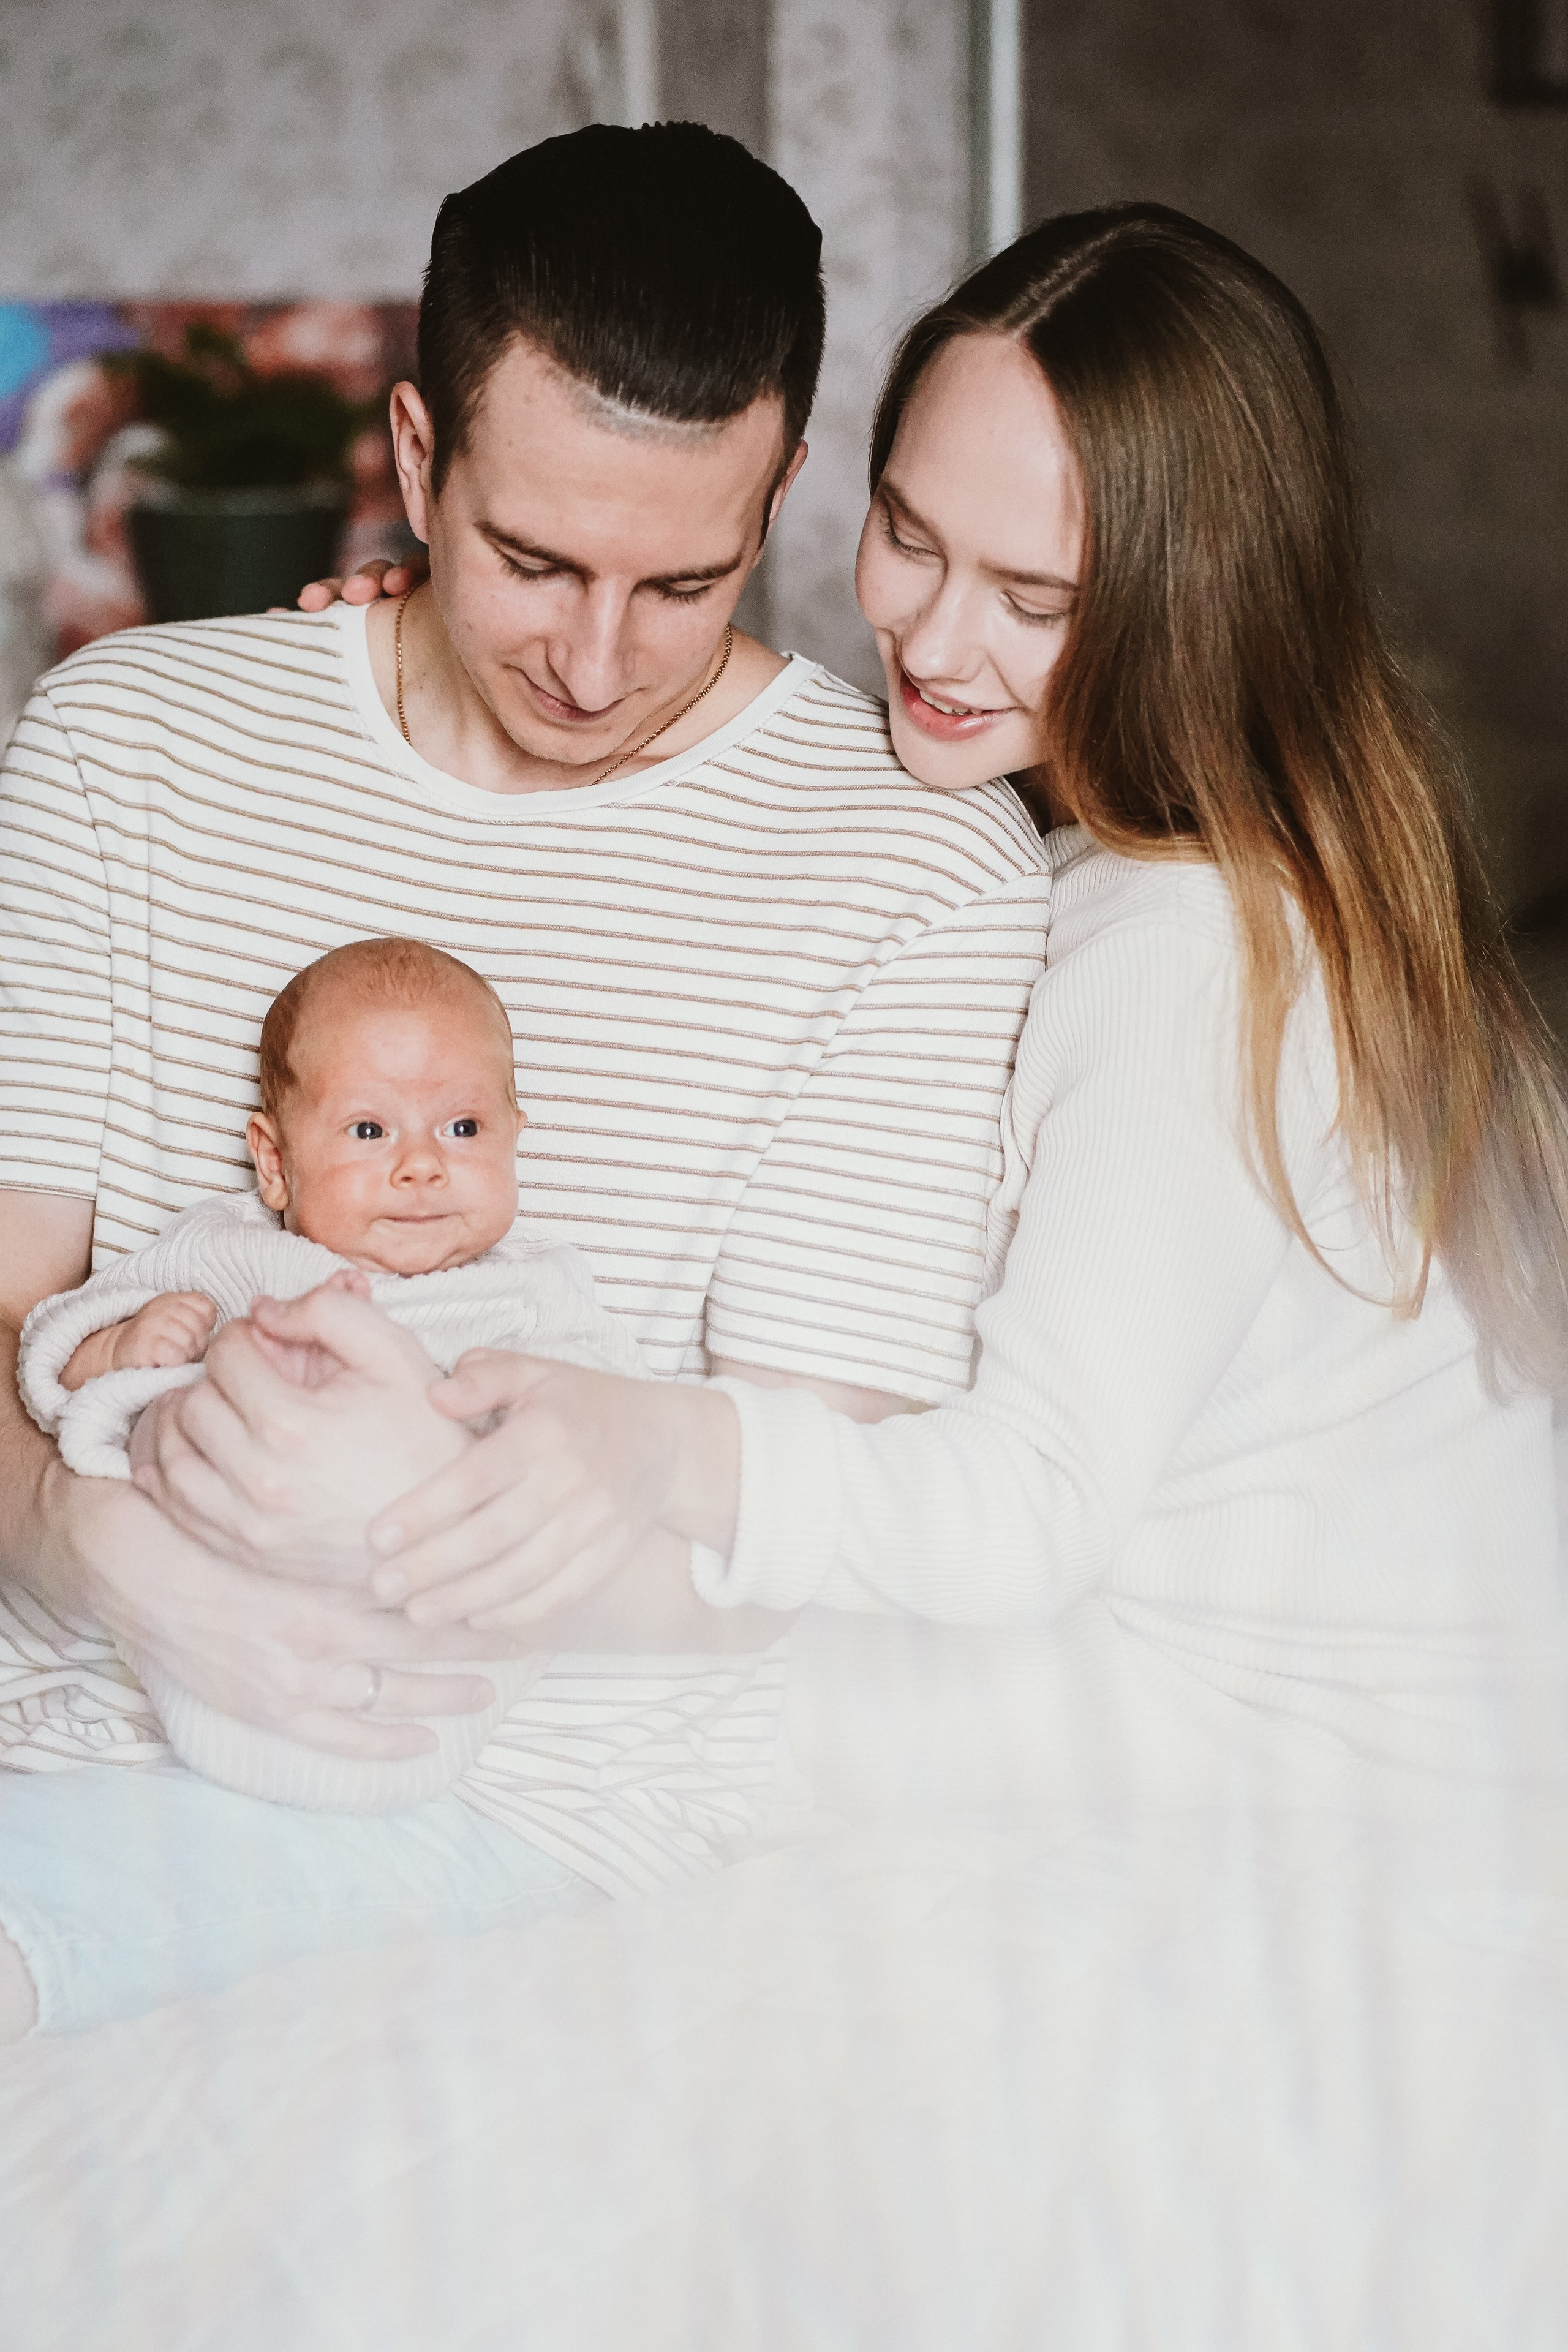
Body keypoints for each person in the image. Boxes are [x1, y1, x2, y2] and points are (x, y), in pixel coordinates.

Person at [230, 200, 1568, 1823]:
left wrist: (661, 1445)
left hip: (1280, 1799)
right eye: (909, 535)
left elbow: (1028, 1505)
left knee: (501, 1712)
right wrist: (432, 649)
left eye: (1035, 596)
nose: (933, 638)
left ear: (1193, 602)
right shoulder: (1091, 839)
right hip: (1186, 1724)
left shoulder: (1190, 943)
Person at [0, 124, 1050, 2038]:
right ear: (416, 459)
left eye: (684, 581)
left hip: (507, 1800)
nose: (592, 660)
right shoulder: (121, 744)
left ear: (783, 495)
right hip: (47, 1721)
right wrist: (98, 1556)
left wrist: (395, 1561)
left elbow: (798, 1534)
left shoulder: (910, 872)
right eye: (530, 559)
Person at [9, 933, 653, 1822]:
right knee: (177, 1429)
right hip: (205, 1632)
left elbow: (611, 1423)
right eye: (369, 1130)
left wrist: (520, 1445)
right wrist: (120, 1348)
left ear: (516, 1138)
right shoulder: (229, 1251)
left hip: (427, 1672)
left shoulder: (532, 1292)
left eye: (464, 1129)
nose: (422, 1164)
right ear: (275, 1164)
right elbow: (50, 1348)